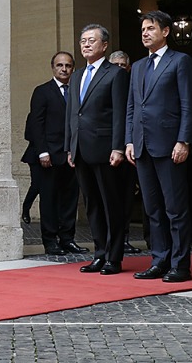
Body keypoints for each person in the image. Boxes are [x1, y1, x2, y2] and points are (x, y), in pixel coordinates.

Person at [125, 10, 192, 283]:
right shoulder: (139, 67)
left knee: (175, 209)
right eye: (143, 29)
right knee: (152, 209)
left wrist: (184, 140)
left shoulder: (180, 61)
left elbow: (188, 105)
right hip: (142, 146)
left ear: (165, 31)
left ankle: (180, 265)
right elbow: (132, 107)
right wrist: (129, 141)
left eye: (151, 28)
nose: (145, 33)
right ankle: (159, 259)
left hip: (170, 146)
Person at [66, 25, 130, 275]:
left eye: (92, 40)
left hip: (106, 150)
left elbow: (120, 114)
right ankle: (99, 253)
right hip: (81, 149)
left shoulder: (115, 74)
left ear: (104, 45)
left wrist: (118, 147)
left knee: (110, 204)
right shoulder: (77, 75)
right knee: (92, 204)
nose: (86, 45)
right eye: (83, 40)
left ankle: (114, 257)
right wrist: (69, 146)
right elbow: (72, 114)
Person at [22, 52, 85, 255]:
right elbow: (36, 124)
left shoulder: (78, 92)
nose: (64, 69)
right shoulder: (42, 91)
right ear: (53, 68)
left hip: (72, 155)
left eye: (68, 65)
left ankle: (67, 239)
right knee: (49, 200)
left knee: (70, 200)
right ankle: (50, 242)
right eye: (59, 65)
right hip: (48, 156)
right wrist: (42, 152)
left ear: (73, 68)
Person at [109, 50, 143, 254]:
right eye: (116, 66)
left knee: (127, 198)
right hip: (110, 151)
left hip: (131, 150)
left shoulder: (135, 86)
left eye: (123, 65)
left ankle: (125, 237)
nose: (120, 69)